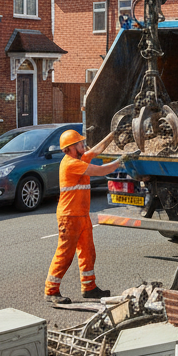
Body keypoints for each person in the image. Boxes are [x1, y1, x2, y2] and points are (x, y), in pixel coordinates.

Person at [45, 128, 134, 305]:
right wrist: (121, 161)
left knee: (87, 252)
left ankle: (89, 287)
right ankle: (51, 291)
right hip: (69, 217)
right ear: (70, 148)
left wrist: (113, 134)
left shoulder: (79, 158)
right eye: (79, 143)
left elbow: (97, 150)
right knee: (65, 254)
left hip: (82, 216)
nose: (83, 145)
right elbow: (101, 171)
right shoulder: (71, 164)